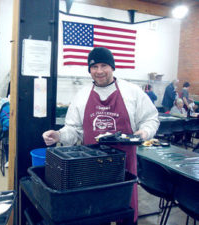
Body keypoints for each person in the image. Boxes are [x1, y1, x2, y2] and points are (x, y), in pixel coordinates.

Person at [42, 47, 159, 224]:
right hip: (91, 167)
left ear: (112, 67)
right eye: (94, 67)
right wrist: (58, 135)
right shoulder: (81, 96)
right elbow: (73, 130)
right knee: (95, 213)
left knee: (124, 210)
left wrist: (144, 132)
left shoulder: (132, 92)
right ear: (89, 70)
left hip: (124, 167)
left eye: (104, 65)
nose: (99, 71)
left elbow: (151, 118)